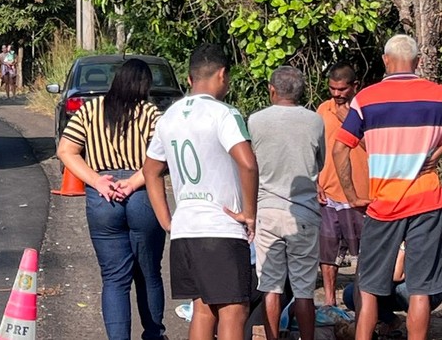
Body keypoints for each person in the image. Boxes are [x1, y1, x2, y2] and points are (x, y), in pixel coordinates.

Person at [143, 42, 258, 340]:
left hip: (185, 229)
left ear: (190, 78)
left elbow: (151, 170)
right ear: (222, 75)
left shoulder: (168, 116)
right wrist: (250, 214)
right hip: (220, 229)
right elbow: (247, 164)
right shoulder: (224, 114)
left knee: (203, 309)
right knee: (235, 311)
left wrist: (166, 220)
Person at [333, 34, 442, 340]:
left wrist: (353, 196)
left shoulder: (366, 99)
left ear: (385, 61)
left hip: (383, 205)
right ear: (418, 62)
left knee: (367, 288)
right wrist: (432, 156)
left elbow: (341, 149)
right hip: (427, 201)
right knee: (421, 290)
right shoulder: (437, 95)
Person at [57, 58, 165, 340]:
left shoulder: (90, 111)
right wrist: (132, 182)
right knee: (148, 275)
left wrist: (96, 180)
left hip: (102, 198)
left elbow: (66, 150)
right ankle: (154, 334)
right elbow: (161, 159)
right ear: (145, 85)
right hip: (142, 195)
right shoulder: (151, 113)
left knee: (114, 279)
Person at [247, 66, 325, 340]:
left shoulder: (255, 121)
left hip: (266, 210)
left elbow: (250, 166)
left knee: (271, 286)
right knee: (304, 290)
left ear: (272, 90)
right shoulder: (315, 121)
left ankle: (272, 337)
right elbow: (320, 163)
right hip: (303, 213)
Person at [317, 62, 368, 308]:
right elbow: (315, 149)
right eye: (332, 89)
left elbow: (376, 147)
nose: (336, 94)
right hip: (328, 193)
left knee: (362, 253)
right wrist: (315, 180)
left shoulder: (366, 111)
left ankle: (362, 302)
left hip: (359, 194)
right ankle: (329, 301)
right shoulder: (322, 110)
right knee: (328, 252)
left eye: (342, 89)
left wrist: (350, 123)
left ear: (355, 86)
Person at [342, 244, 442, 338]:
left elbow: (397, 276)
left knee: (405, 290)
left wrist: (402, 248)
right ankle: (391, 320)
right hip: (392, 286)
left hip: (426, 290)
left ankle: (418, 330)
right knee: (351, 293)